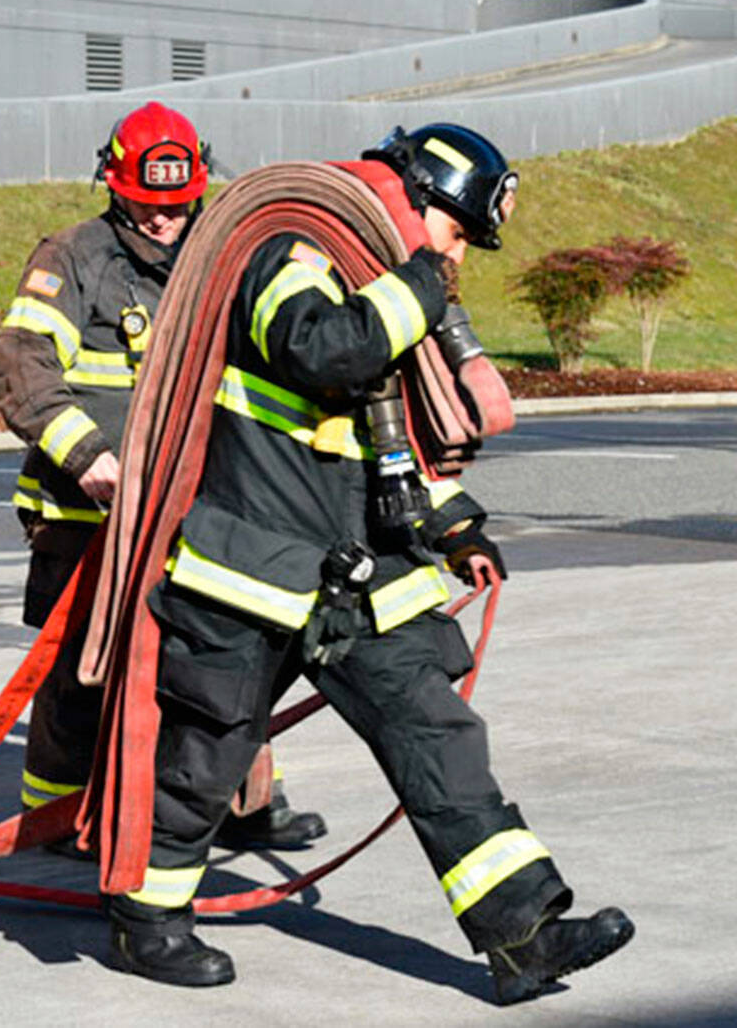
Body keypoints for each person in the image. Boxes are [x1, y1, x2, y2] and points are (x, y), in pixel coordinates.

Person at [103, 123, 634, 1004]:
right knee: (209, 755)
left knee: (438, 734)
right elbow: (320, 350)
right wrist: (421, 286)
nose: (459, 256)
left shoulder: (379, 281)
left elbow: (391, 436)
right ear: (422, 202)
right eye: (458, 233)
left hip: (355, 579)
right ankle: (147, 921)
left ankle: (524, 936)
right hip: (252, 569)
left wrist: (456, 523)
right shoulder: (291, 247)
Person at [0, 101, 325, 855]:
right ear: (114, 184)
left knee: (226, 664)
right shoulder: (73, 258)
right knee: (81, 679)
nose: (166, 220)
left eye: (179, 204)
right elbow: (21, 365)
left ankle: (240, 803)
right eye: (150, 203)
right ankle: (61, 817)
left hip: (199, 510)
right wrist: (87, 460)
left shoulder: (224, 256)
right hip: (88, 518)